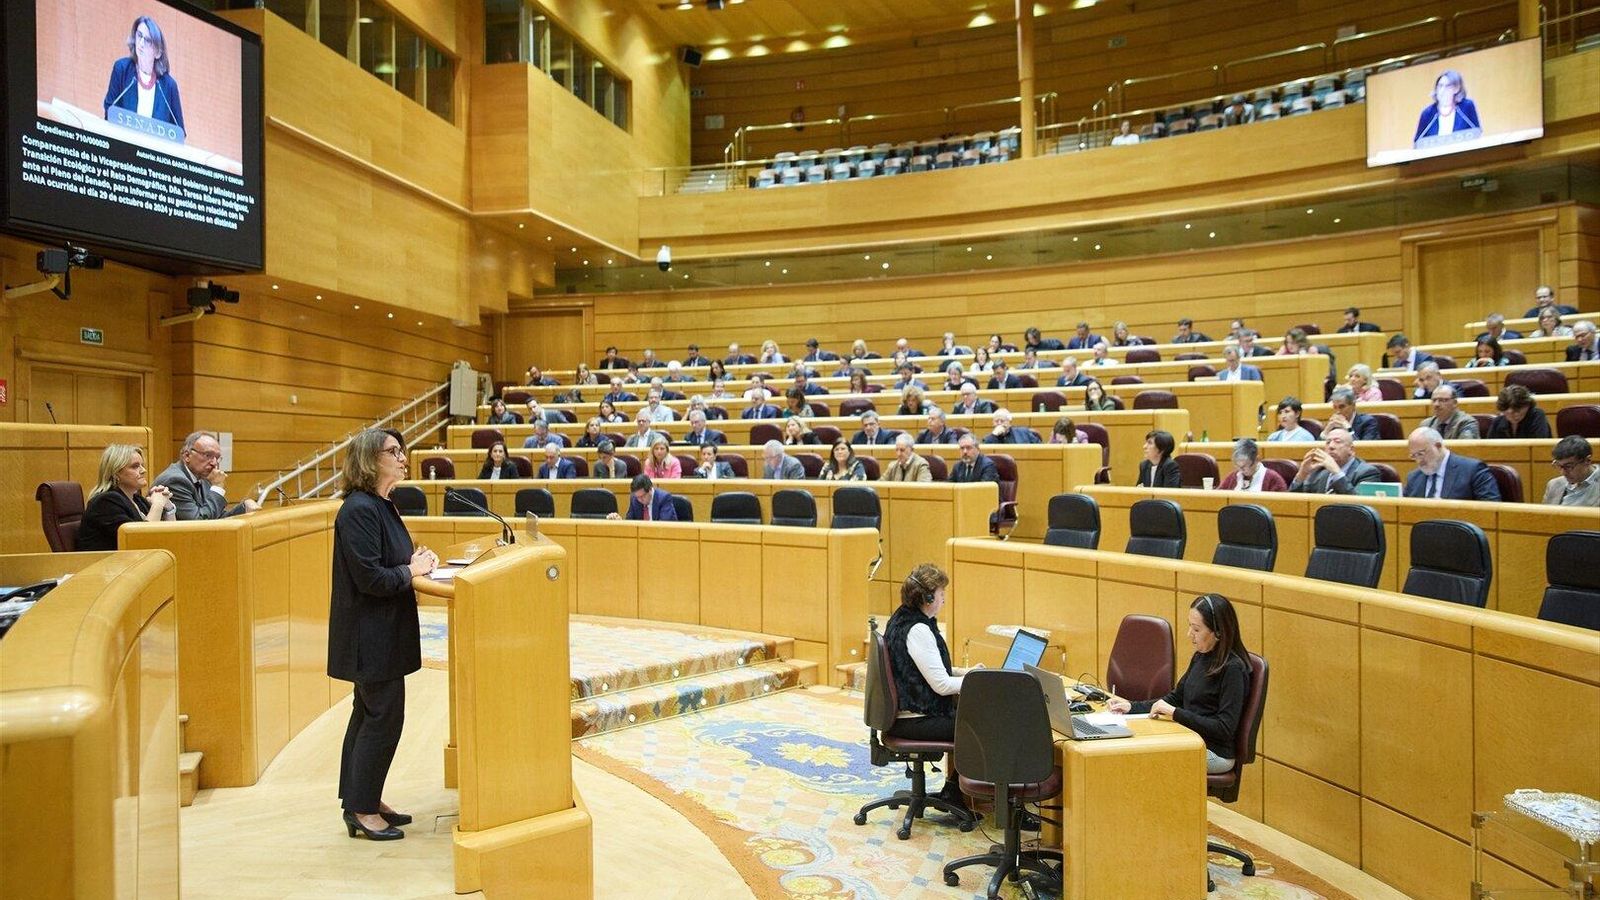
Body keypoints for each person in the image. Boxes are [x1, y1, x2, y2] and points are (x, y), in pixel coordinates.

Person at [327, 429, 436, 842]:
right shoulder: (358, 509)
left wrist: (416, 560)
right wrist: (413, 570)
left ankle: (361, 798)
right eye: (394, 451)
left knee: (369, 715)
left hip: (381, 632)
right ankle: (362, 808)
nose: (404, 458)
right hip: (368, 635)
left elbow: (389, 559)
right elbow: (371, 577)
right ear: (370, 460)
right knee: (382, 718)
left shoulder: (381, 504)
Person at [1108, 595, 1250, 775]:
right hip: (1188, 739)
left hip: (1213, 752)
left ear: (1218, 632)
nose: (1189, 634)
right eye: (1190, 626)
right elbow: (1174, 699)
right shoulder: (1201, 656)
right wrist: (1131, 707)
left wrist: (1176, 713)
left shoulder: (1233, 669)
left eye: (1196, 629)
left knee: (1143, 758)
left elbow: (1224, 729)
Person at [883, 563, 975, 813]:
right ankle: (969, 794)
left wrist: (968, 673)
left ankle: (954, 790)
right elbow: (942, 685)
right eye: (942, 595)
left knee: (970, 717)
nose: (944, 601)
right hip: (915, 718)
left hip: (907, 713)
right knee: (982, 725)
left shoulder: (903, 618)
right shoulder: (919, 630)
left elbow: (928, 670)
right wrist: (977, 682)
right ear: (928, 597)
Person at [76, 444, 174, 550]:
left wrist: (168, 508)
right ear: (115, 473)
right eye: (135, 466)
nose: (143, 470)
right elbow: (142, 540)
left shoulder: (138, 500)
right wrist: (158, 504)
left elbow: (169, 537)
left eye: (142, 465)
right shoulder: (106, 502)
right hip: (107, 564)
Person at [104, 17, 185, 135]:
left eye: (147, 40)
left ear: (158, 52)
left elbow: (179, 132)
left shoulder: (169, 86)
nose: (141, 44)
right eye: (139, 36)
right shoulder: (121, 69)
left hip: (153, 152)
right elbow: (109, 110)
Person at [155, 430, 258, 519]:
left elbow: (216, 517)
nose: (214, 463)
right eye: (208, 455)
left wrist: (243, 508)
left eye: (217, 458)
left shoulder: (202, 476)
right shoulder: (175, 481)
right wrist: (217, 487)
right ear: (187, 456)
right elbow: (199, 522)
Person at [1403, 427, 1501, 501]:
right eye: (1414, 456)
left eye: (1421, 454)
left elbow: (1491, 510)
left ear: (1438, 446)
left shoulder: (1473, 470)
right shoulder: (1413, 478)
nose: (1419, 461)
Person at [1288, 426, 1381, 494]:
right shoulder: (1319, 471)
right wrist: (1302, 474)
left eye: (1337, 442)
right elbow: (1295, 504)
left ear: (1351, 450)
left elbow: (1361, 507)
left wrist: (1337, 473)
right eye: (1328, 442)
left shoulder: (1367, 473)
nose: (1331, 446)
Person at [1413, 69, 1481, 146]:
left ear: (1457, 89)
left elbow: (1477, 133)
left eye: (1447, 86)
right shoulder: (1427, 113)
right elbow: (1417, 143)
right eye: (1440, 86)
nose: (1442, 90)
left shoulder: (1467, 107)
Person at [1543, 436, 1600, 506]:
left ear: (1587, 461)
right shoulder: (1554, 485)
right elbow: (1544, 516)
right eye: (1558, 465)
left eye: (1568, 466)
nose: (1563, 472)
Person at [1217, 438, 1287, 492]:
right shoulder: (1233, 477)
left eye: (1244, 466)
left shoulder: (1273, 480)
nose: (1241, 470)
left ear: (1257, 460)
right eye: (1238, 466)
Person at [1485, 384, 1551, 439]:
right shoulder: (1498, 422)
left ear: (1527, 405)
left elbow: (1539, 446)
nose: (1513, 415)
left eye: (1517, 411)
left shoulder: (1537, 416)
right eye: (1508, 413)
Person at [609, 474, 678, 521]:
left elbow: (663, 525)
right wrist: (620, 521)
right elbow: (630, 521)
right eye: (638, 497)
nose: (640, 500)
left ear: (650, 489)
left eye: (643, 496)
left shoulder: (664, 498)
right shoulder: (634, 499)